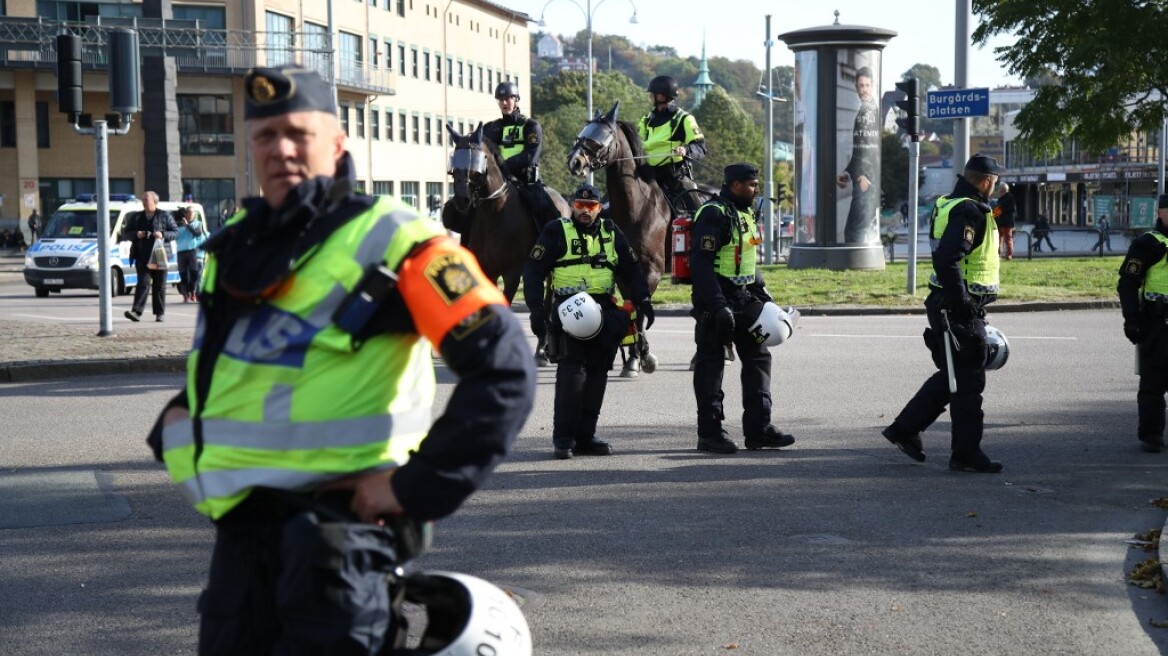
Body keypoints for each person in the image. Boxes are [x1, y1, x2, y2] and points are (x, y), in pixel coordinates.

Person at [145, 65, 536, 654]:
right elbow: (234, 376)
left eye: (298, 134)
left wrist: (413, 488)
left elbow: (506, 367)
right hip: (241, 549)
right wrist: (176, 433)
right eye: (265, 135)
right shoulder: (236, 248)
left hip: (340, 548)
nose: (280, 149)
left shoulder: (397, 240)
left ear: (337, 143)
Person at [882, 154, 1006, 473]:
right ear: (988, 181)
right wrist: (963, 301)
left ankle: (905, 430)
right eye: (995, 183)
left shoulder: (949, 202)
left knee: (955, 377)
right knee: (968, 382)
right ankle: (965, 453)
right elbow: (948, 259)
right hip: (957, 305)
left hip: (948, 302)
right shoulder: (970, 210)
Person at [523, 182, 654, 460]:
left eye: (591, 206)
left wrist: (643, 300)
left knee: (597, 376)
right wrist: (536, 310)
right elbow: (533, 271)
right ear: (572, 206)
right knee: (572, 377)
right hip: (570, 312)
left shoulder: (610, 231)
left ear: (598, 208)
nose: (585, 211)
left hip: (605, 311)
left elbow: (631, 270)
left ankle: (585, 437)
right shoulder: (556, 231)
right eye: (580, 205)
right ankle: (563, 439)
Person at [689, 163, 795, 454]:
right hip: (716, 300)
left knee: (759, 357)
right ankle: (709, 434)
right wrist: (718, 306)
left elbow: (749, 265)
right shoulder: (713, 214)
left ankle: (759, 430)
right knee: (711, 365)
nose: (756, 189)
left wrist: (766, 298)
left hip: (745, 297)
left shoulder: (746, 214)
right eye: (751, 184)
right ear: (735, 185)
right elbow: (701, 265)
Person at [1117, 194, 1168, 453]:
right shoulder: (1149, 244)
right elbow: (1128, 283)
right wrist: (1132, 320)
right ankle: (1151, 435)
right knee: (1153, 382)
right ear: (1160, 213)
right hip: (1158, 321)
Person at [482, 81, 557, 223]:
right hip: (498, 178)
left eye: (508, 99)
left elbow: (530, 157)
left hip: (525, 181)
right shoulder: (491, 128)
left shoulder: (530, 126)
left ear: (516, 99)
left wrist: (503, 165)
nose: (504, 103)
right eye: (501, 100)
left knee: (546, 212)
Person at [637, 75, 707, 215]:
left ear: (661, 96)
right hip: (647, 173)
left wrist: (685, 149)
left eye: (652, 94)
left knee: (697, 211)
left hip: (673, 175)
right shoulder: (645, 121)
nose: (650, 97)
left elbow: (700, 148)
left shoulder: (684, 119)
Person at [837, 67, 881, 243]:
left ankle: (857, 267)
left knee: (854, 231)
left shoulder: (868, 113)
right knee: (858, 229)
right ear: (856, 87)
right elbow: (860, 150)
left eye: (867, 85)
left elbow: (870, 151)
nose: (863, 89)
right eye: (860, 85)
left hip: (866, 182)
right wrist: (848, 173)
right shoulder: (866, 112)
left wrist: (865, 177)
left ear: (872, 86)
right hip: (863, 179)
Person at [123, 190, 178, 322]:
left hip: (160, 254)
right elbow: (127, 233)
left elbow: (176, 232)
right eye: (142, 200)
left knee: (159, 285)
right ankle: (136, 312)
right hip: (142, 255)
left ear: (154, 201)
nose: (143, 202)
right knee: (143, 283)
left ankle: (159, 313)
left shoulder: (164, 215)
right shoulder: (136, 217)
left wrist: (162, 234)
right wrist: (136, 234)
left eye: (146, 199)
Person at [174, 206, 206, 303]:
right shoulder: (178, 225)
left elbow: (198, 233)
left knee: (194, 274)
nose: (191, 214)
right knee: (183, 274)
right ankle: (185, 294)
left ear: (195, 214)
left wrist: (187, 225)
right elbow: (173, 235)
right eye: (189, 212)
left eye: (192, 213)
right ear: (186, 213)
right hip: (181, 252)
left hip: (192, 251)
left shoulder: (198, 224)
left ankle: (192, 292)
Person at [993, 182, 1017, 259]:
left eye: (1000, 189)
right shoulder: (1000, 198)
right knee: (999, 239)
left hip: (1007, 222)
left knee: (1008, 239)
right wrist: (994, 214)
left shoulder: (1010, 197)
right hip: (1000, 222)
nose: (999, 190)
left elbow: (1012, 209)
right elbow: (997, 209)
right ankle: (998, 254)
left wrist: (1000, 210)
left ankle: (1009, 255)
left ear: (1003, 189)